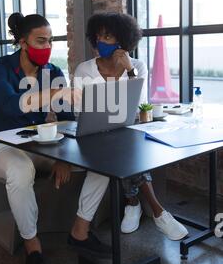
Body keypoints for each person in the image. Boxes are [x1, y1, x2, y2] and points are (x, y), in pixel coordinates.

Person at [0, 12, 111, 264]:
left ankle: (80, 229)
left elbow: (68, 119)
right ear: (22, 42)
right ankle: (33, 248)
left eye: (50, 41)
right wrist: (54, 95)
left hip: (47, 147)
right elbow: (11, 104)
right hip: (7, 150)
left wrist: (64, 158)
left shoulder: (53, 72)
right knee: (20, 170)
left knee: (105, 162)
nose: (46, 48)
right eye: (40, 41)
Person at [74, 12, 189, 240]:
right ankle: (158, 213)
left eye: (107, 37)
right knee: (120, 146)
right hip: (94, 135)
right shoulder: (84, 70)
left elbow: (139, 107)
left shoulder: (137, 66)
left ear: (122, 42)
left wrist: (129, 70)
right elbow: (80, 112)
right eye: (98, 36)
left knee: (126, 144)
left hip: (127, 131)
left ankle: (133, 202)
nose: (100, 42)